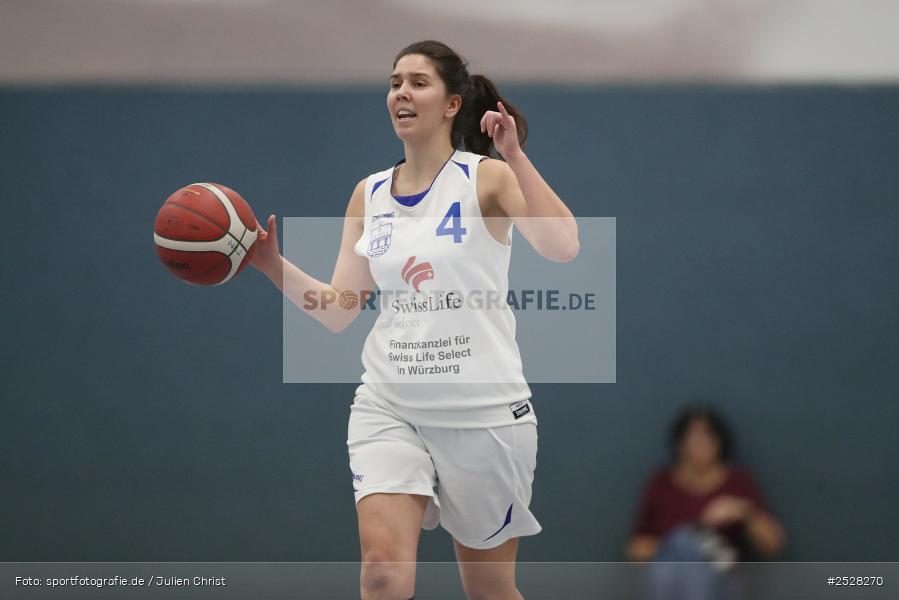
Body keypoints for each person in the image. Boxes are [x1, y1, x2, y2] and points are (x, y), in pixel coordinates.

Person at [250, 40, 579, 600]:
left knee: (490, 590)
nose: (401, 92)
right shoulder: (369, 193)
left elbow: (563, 246)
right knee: (382, 576)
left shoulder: (486, 178)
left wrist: (516, 157)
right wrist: (270, 264)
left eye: (418, 82)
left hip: (483, 412)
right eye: (394, 81)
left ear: (452, 104)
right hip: (389, 404)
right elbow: (339, 312)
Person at [626, 403, 786, 600]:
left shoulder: (737, 482)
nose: (700, 444)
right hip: (670, 578)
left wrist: (745, 512)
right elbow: (636, 551)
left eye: (708, 437)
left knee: (699, 564)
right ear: (680, 443)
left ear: (720, 442)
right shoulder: (661, 483)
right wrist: (687, 539)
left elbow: (773, 545)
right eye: (693, 438)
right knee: (680, 548)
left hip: (723, 582)